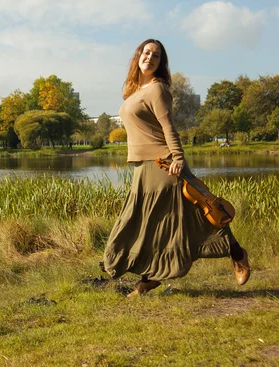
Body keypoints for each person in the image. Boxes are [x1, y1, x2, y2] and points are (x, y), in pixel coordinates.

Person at [101, 39, 250, 297]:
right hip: (142, 167)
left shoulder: (158, 89)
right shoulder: (134, 91)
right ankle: (150, 279)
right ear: (138, 57)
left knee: (196, 213)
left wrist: (178, 158)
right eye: (146, 53)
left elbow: (168, 127)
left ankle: (236, 253)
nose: (150, 57)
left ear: (160, 63)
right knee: (149, 223)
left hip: (165, 163)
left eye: (156, 55)